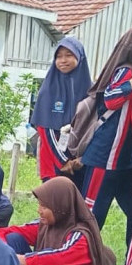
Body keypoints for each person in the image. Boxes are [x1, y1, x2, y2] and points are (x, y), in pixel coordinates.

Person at [80, 28, 132, 265]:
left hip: (127, 163)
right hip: (106, 157)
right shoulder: (126, 71)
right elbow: (111, 100)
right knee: (91, 219)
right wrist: (131, 84)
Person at [30, 37, 91, 184]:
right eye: (59, 56)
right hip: (54, 161)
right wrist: (63, 161)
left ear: (79, 57)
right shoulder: (48, 89)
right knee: (53, 204)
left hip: (81, 162)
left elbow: (95, 127)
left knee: (78, 204)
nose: (63, 60)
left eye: (69, 55)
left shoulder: (90, 89)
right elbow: (45, 129)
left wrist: (83, 158)